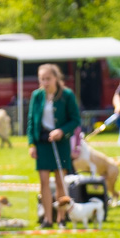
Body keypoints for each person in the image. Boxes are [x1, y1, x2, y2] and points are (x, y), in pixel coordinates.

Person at [27, 63, 81, 229]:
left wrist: (61, 131)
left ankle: (61, 218)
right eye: (42, 79)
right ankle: (47, 219)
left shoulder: (67, 95)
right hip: (42, 142)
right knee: (43, 181)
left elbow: (75, 120)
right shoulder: (37, 96)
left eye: (48, 78)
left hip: (60, 142)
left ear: (56, 78)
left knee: (60, 181)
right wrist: (31, 143)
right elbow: (31, 120)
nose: (45, 82)